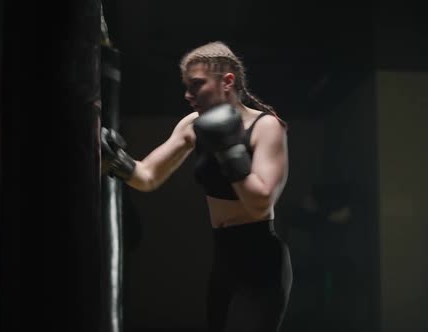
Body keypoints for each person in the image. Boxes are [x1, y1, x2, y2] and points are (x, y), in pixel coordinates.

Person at [101, 41, 292, 332]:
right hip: (224, 259)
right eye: (186, 86)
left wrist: (228, 149)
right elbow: (148, 176)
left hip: (261, 261)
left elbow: (261, 202)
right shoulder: (193, 125)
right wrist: (116, 158)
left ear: (227, 81)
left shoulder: (266, 127)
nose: (188, 95)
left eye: (197, 85)